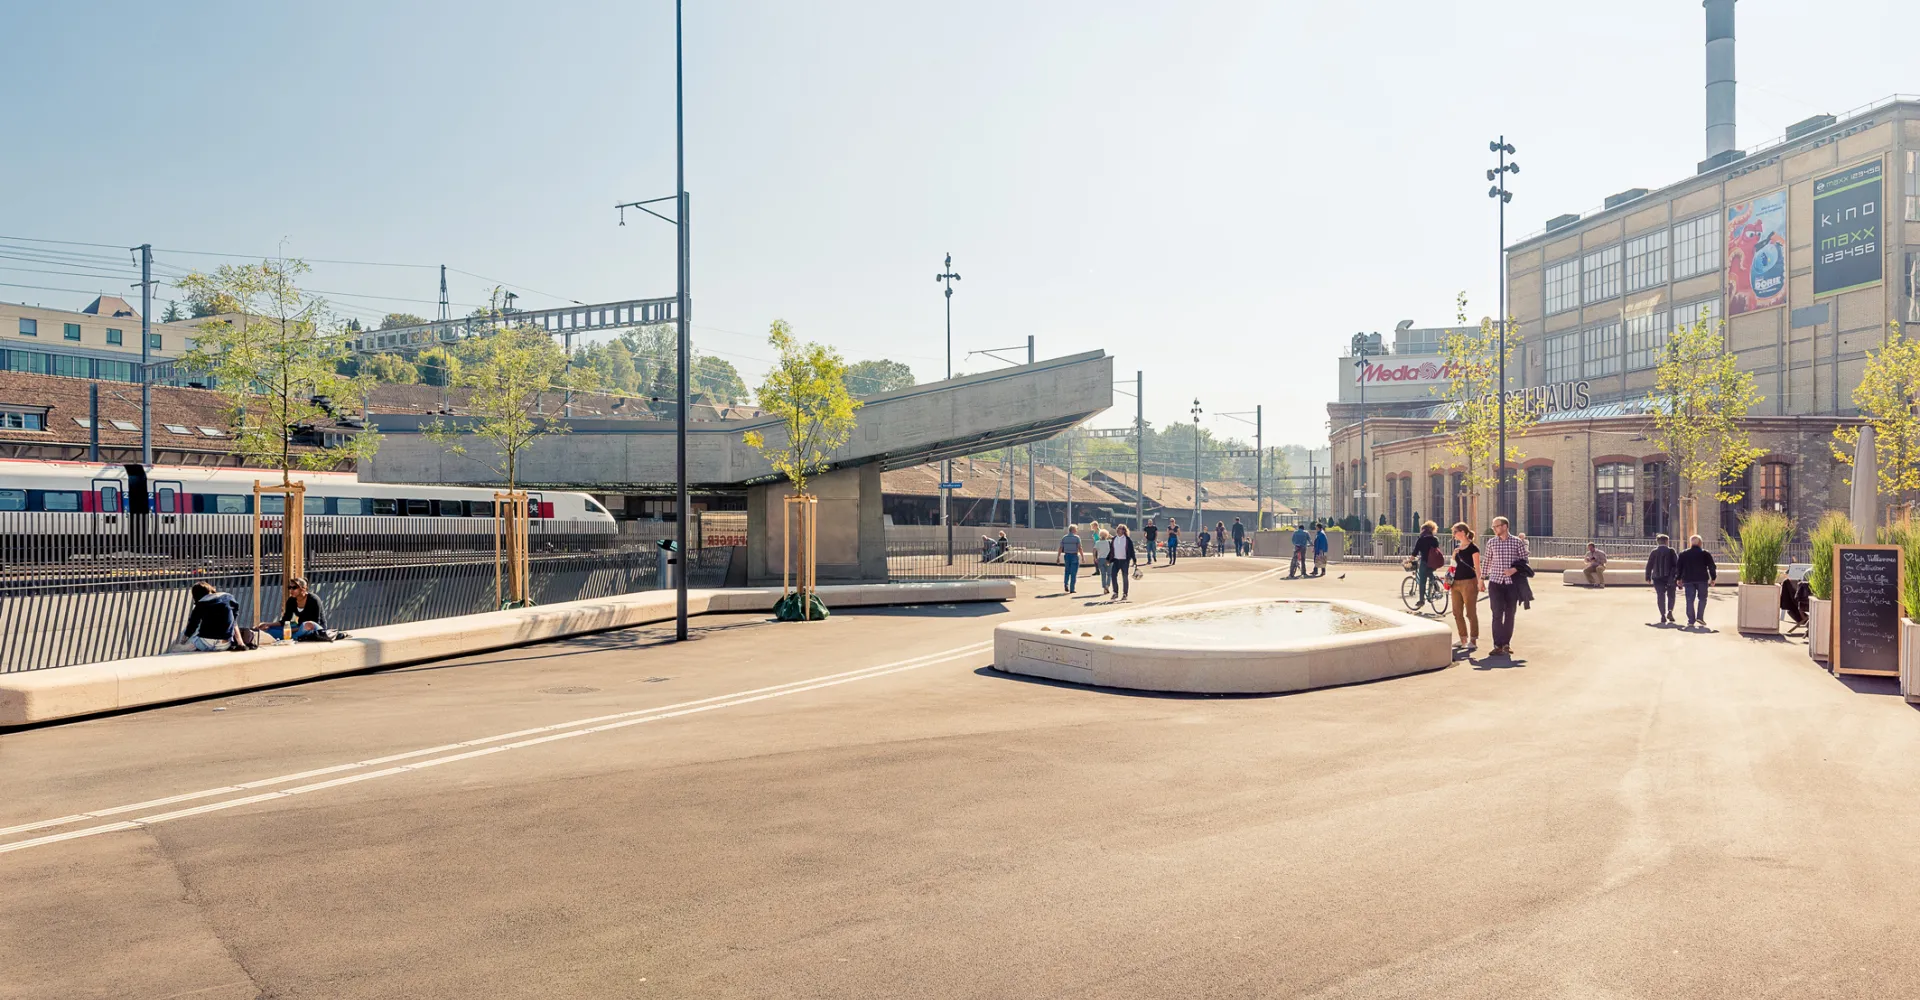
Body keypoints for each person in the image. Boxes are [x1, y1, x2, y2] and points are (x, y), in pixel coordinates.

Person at [1481, 515, 1528, 656]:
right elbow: (1487, 561)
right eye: (1493, 526)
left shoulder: (1517, 542)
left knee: (1509, 614)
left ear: (1505, 526)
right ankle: (1497, 645)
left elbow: (1524, 560)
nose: (1494, 529)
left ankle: (1506, 644)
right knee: (1496, 614)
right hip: (1495, 583)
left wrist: (1513, 570)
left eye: (1496, 526)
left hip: (1511, 584)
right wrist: (1481, 579)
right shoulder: (1492, 543)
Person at [179, 581, 241, 652]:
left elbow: (192, 626)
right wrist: (241, 643)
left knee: (196, 632)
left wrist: (182, 642)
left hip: (206, 643)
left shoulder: (200, 604)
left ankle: (189, 647)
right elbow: (234, 623)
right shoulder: (228, 597)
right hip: (224, 644)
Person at [259, 576, 325, 641]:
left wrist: (290, 630)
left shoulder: (313, 599)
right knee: (269, 628)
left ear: (303, 588)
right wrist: (268, 624)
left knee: (307, 624)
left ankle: (289, 636)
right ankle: (292, 636)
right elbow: (285, 621)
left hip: (315, 628)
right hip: (299, 627)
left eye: (294, 588)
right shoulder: (291, 601)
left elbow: (315, 623)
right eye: (289, 587)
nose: (291, 590)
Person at [1449, 522, 1481, 651]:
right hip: (1455, 583)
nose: (1454, 535)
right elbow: (1452, 566)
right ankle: (1463, 638)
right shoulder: (1457, 548)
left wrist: (1480, 581)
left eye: (1455, 532)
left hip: (1469, 582)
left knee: (1470, 612)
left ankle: (1473, 639)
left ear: (1462, 532)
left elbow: (1477, 567)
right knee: (1457, 612)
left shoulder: (1474, 548)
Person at [1676, 534, 1718, 627]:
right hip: (1702, 579)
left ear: (1691, 543)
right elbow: (1712, 567)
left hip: (1688, 580)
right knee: (1702, 598)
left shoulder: (1683, 554)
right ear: (1700, 543)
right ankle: (1700, 617)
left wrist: (1678, 578)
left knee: (1689, 600)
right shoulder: (1705, 553)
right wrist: (1713, 578)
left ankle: (1691, 620)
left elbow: (1679, 567)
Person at [1645, 533, 1679, 624]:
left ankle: (1662, 615)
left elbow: (1649, 565)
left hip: (1657, 577)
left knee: (1660, 596)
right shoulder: (1671, 551)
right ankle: (1670, 611)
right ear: (1667, 541)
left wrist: (1647, 576)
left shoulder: (1654, 552)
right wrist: (1678, 577)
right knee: (1671, 595)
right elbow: (1677, 565)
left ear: (1658, 542)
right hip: (1670, 577)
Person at [1411, 520, 1443, 605]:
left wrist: (1410, 560)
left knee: (1422, 581)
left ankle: (1422, 600)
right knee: (1430, 573)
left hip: (1425, 562)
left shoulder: (1421, 539)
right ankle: (1433, 587)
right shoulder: (1435, 539)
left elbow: (1415, 552)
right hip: (1434, 563)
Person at [1108, 524, 1137, 600]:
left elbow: (1132, 551)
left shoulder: (1128, 540)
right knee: (1113, 576)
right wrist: (1108, 560)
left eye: (1120, 529)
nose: (1118, 530)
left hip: (1124, 561)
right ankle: (1115, 592)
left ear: (1124, 530)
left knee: (1125, 577)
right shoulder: (1114, 539)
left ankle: (1125, 594)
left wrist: (1134, 560)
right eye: (1118, 528)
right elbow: (1111, 550)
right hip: (1116, 560)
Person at [1056, 525, 1083, 594]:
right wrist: (1083, 557)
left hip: (1067, 555)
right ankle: (1072, 588)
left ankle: (1066, 583)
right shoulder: (1077, 538)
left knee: (1067, 571)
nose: (1076, 531)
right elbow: (1080, 548)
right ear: (1073, 530)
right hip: (1074, 555)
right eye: (1076, 529)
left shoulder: (1064, 537)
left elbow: (1060, 548)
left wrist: (1058, 557)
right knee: (1073, 573)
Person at [1094, 529, 1114, 595]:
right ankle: (1107, 585)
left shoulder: (1097, 542)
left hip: (1100, 559)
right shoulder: (1109, 542)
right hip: (1108, 559)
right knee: (1109, 574)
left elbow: (1094, 550)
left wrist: (1095, 558)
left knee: (1103, 574)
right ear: (1107, 535)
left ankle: (1104, 586)